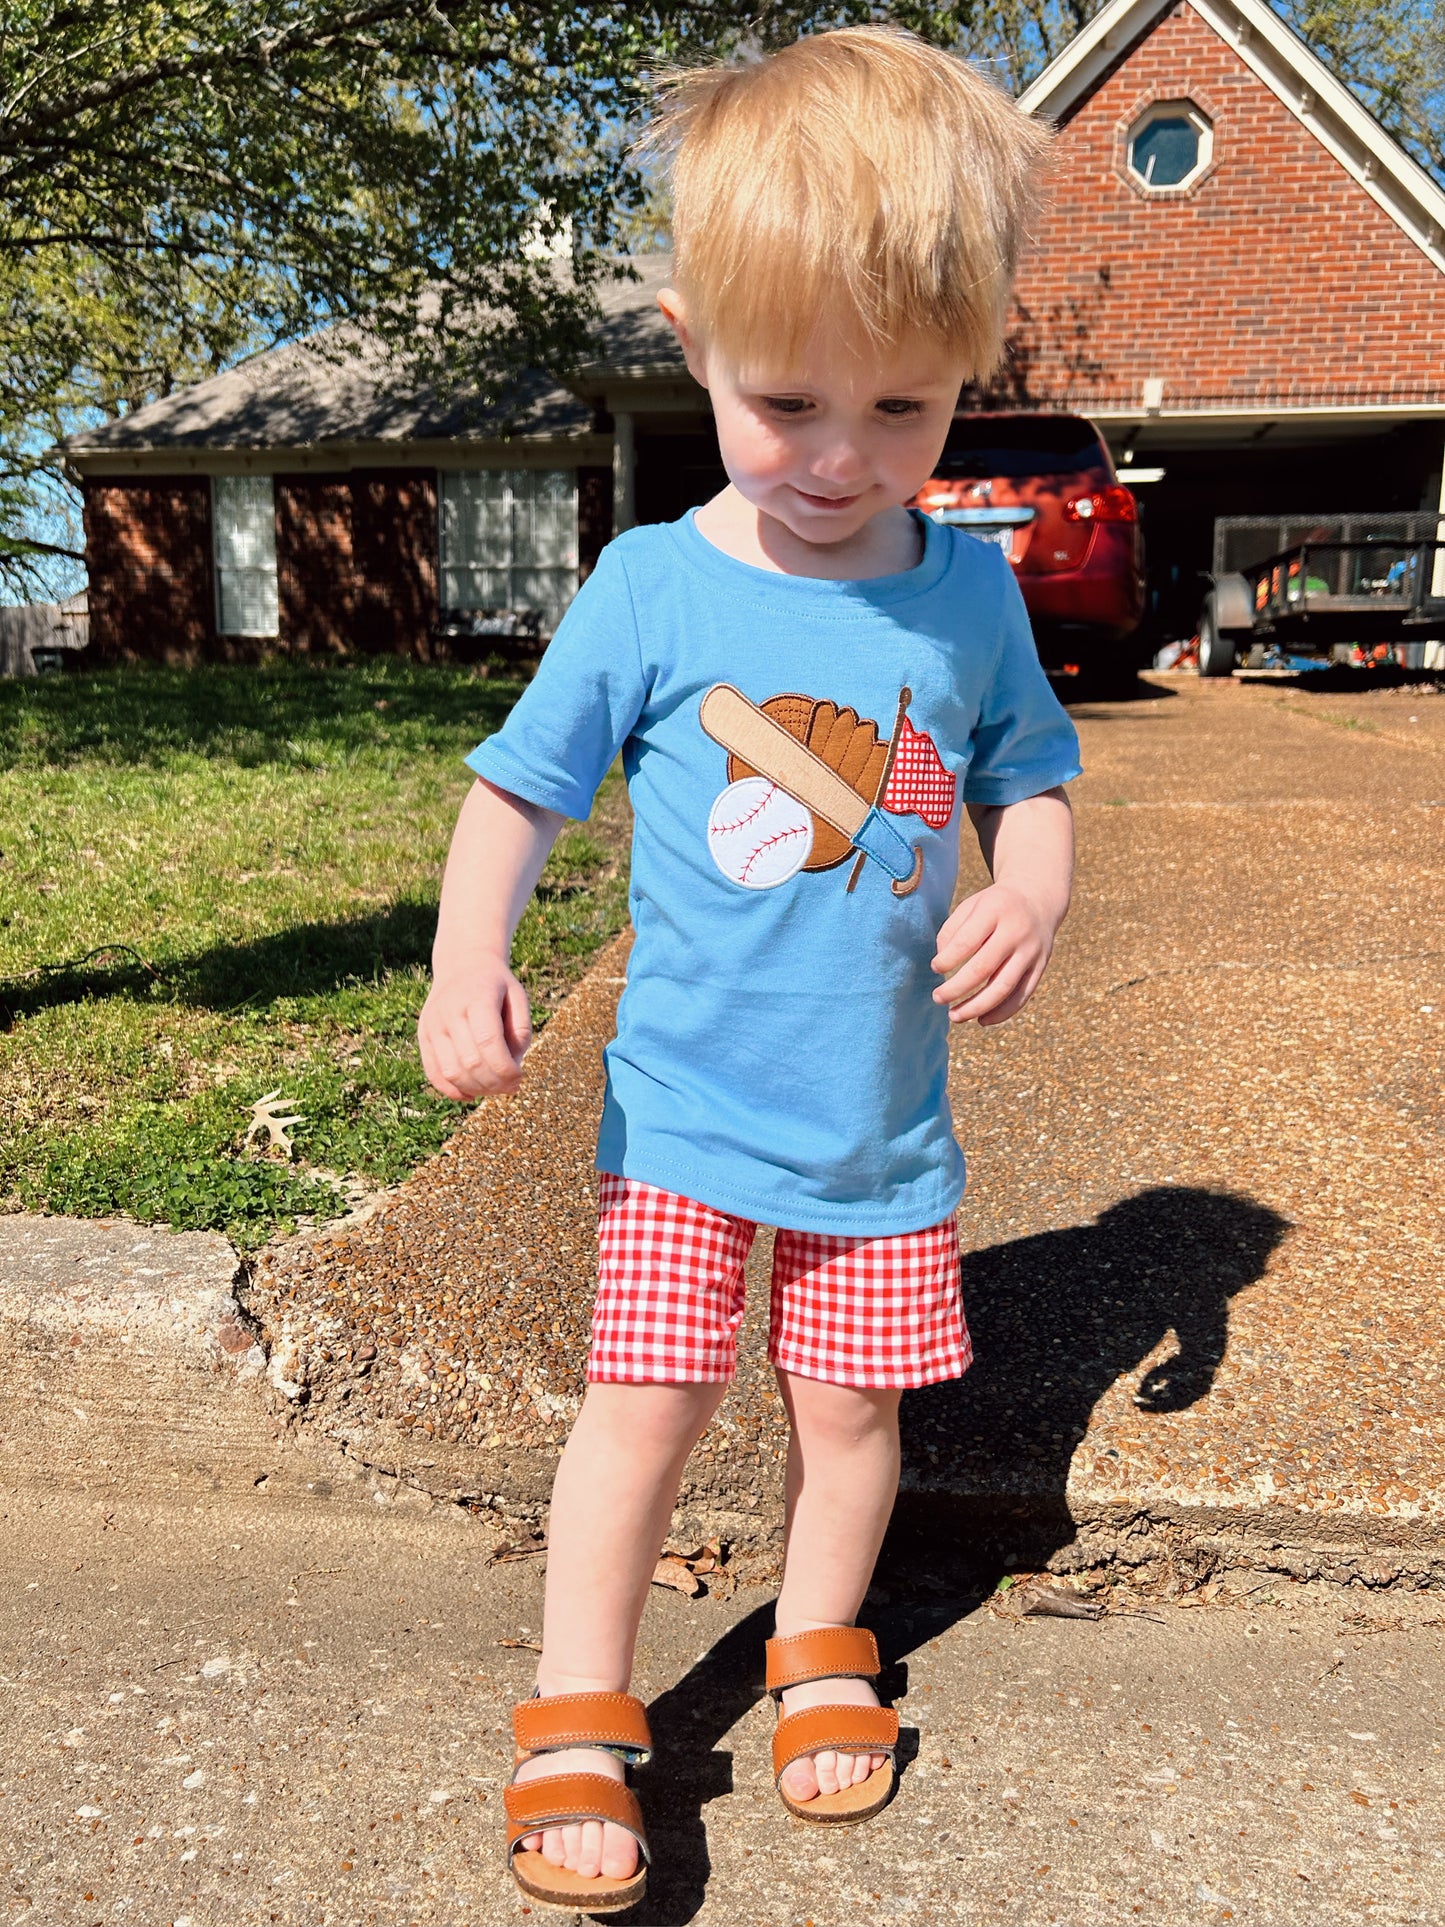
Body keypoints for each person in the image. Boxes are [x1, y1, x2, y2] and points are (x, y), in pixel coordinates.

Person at [418, 25, 1079, 1913]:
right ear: (691, 337)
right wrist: (469, 962)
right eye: (787, 401)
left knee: (849, 1413)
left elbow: (1033, 780)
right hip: (689, 1115)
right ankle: (575, 1704)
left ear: (967, 377)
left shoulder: (961, 592)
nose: (841, 462)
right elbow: (515, 795)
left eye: (908, 413)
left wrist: (1027, 894)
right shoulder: (652, 586)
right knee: (642, 1405)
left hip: (876, 1131)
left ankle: (815, 1646)